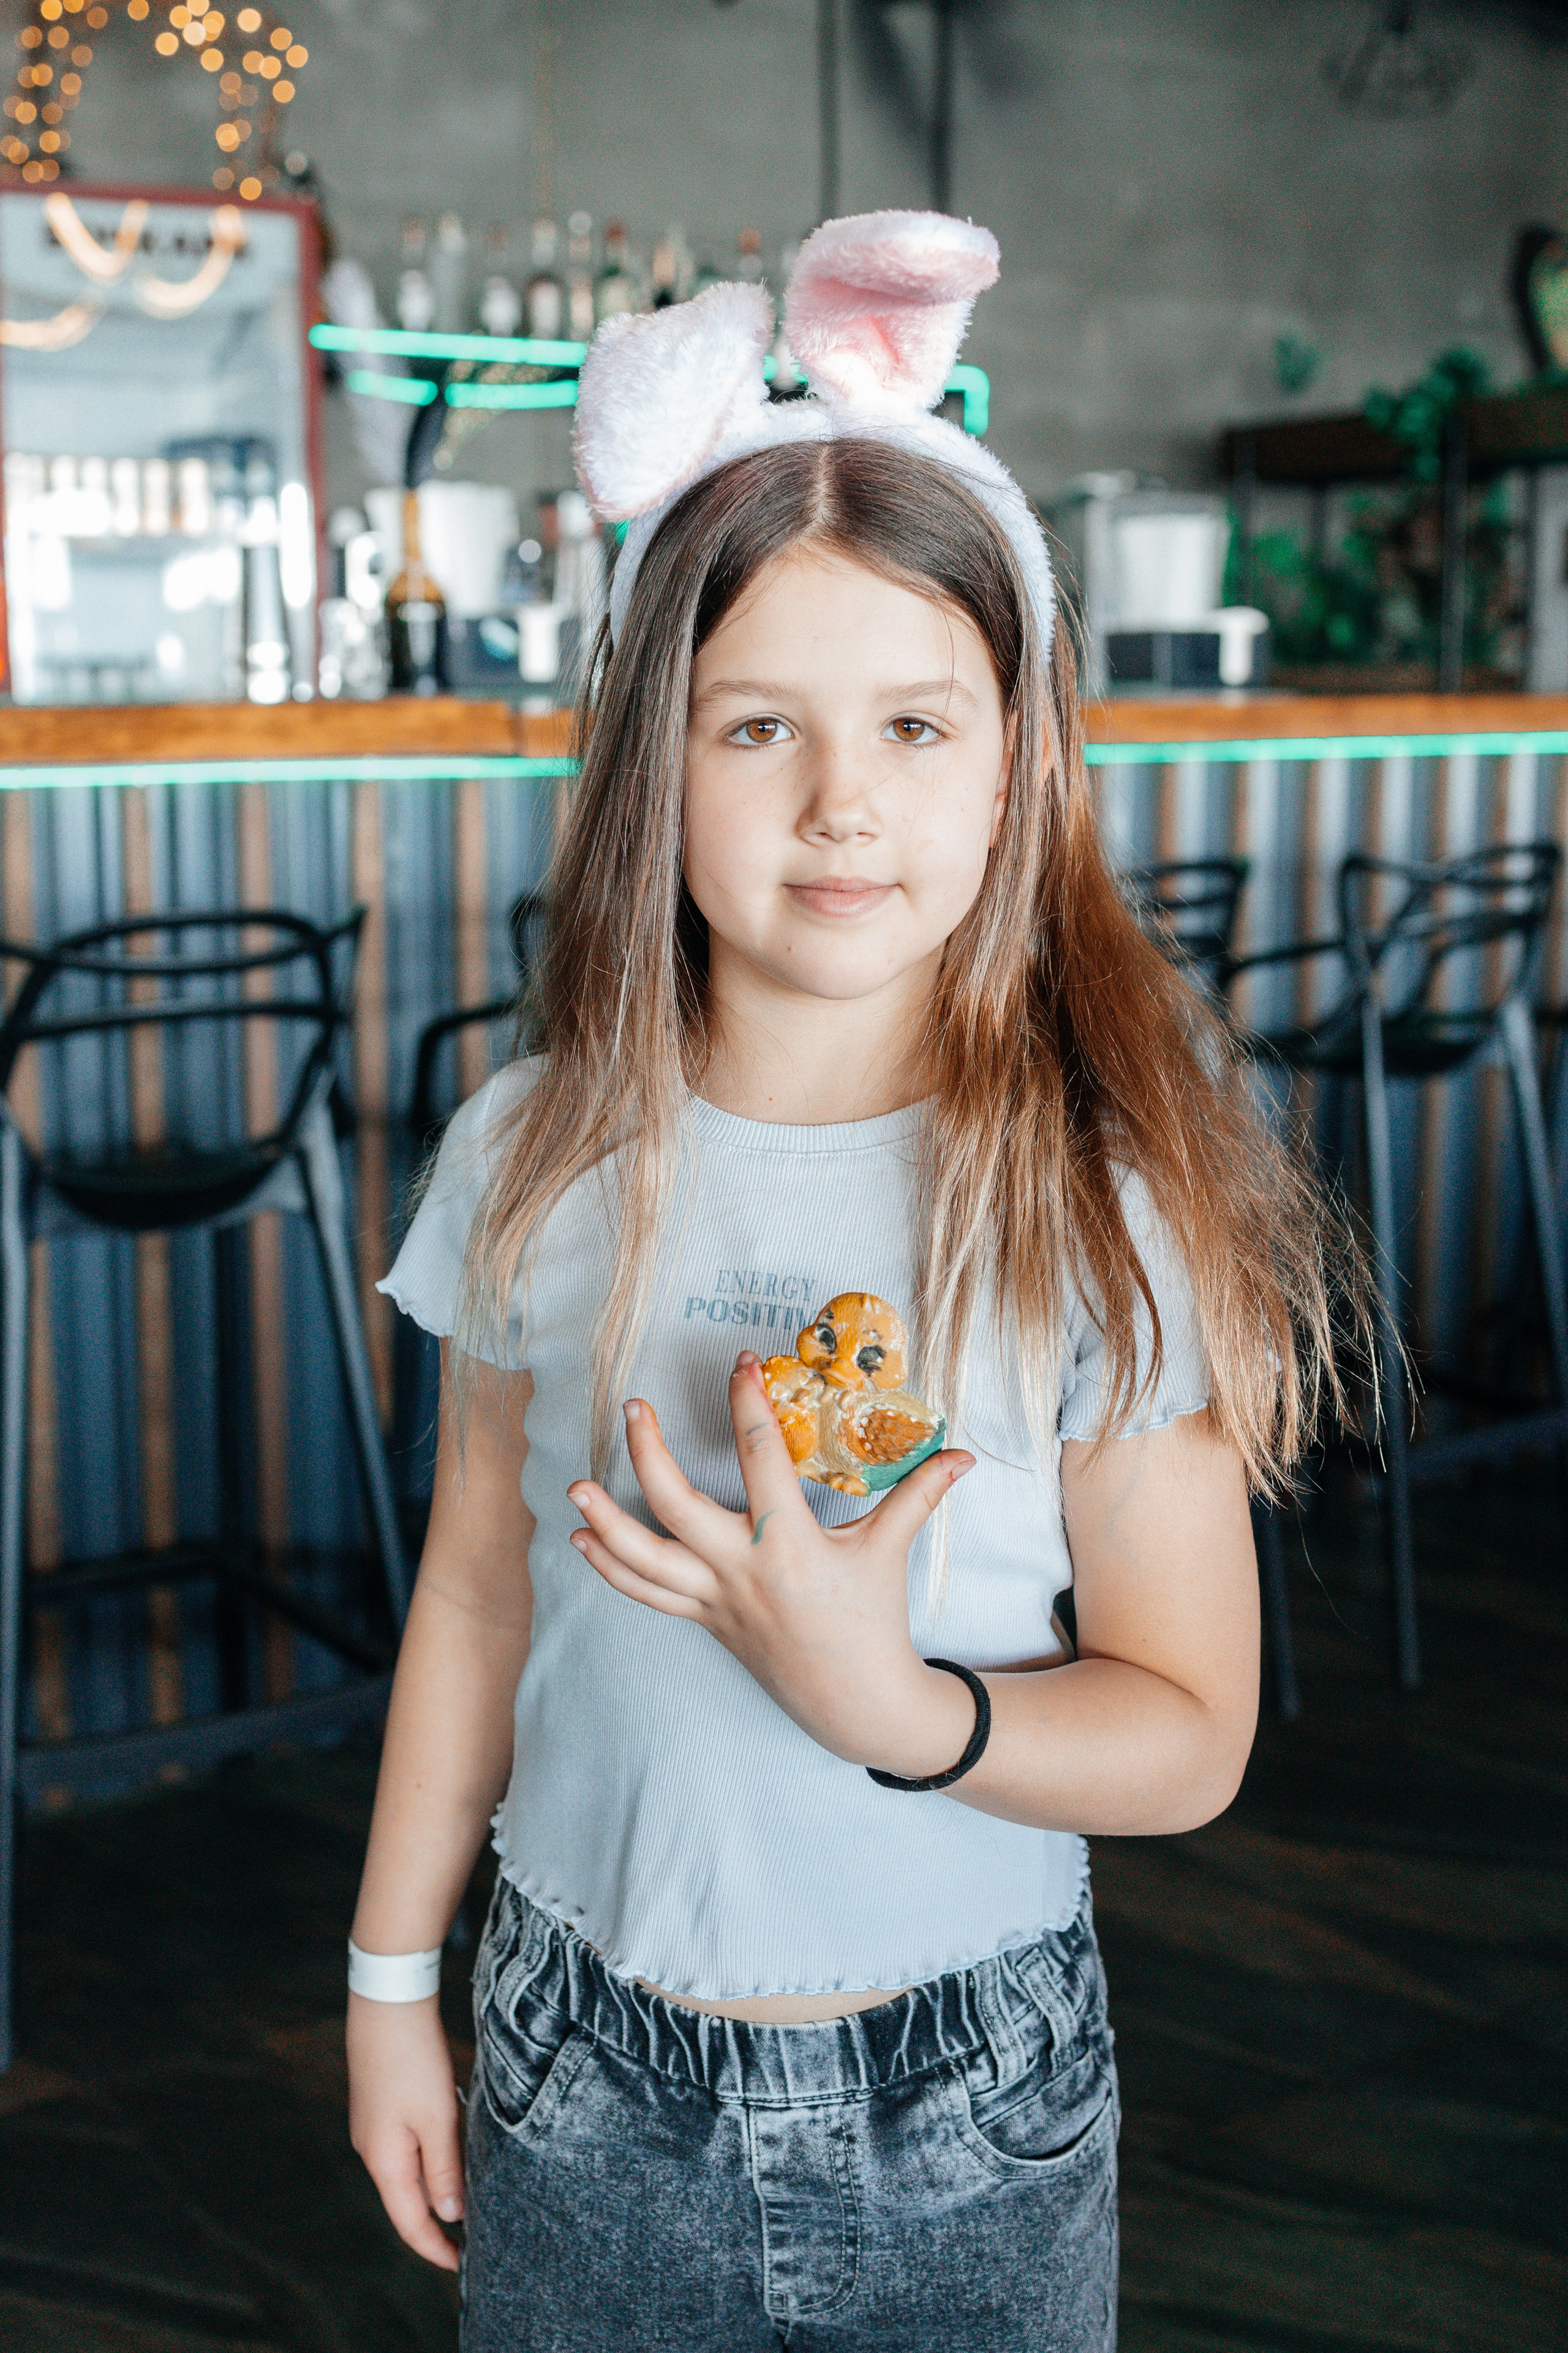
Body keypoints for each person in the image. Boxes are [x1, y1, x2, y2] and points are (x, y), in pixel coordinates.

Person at [345, 213, 1345, 2351]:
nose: (838, 807)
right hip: (573, 2074)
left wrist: (891, 1706)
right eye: (754, 730)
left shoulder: (1095, 1200)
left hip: (966, 2101)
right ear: (654, 767)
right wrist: (385, 1986)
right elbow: (472, 1593)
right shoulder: (532, 1153)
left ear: (1015, 756)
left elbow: (1191, 1733)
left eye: (915, 725)